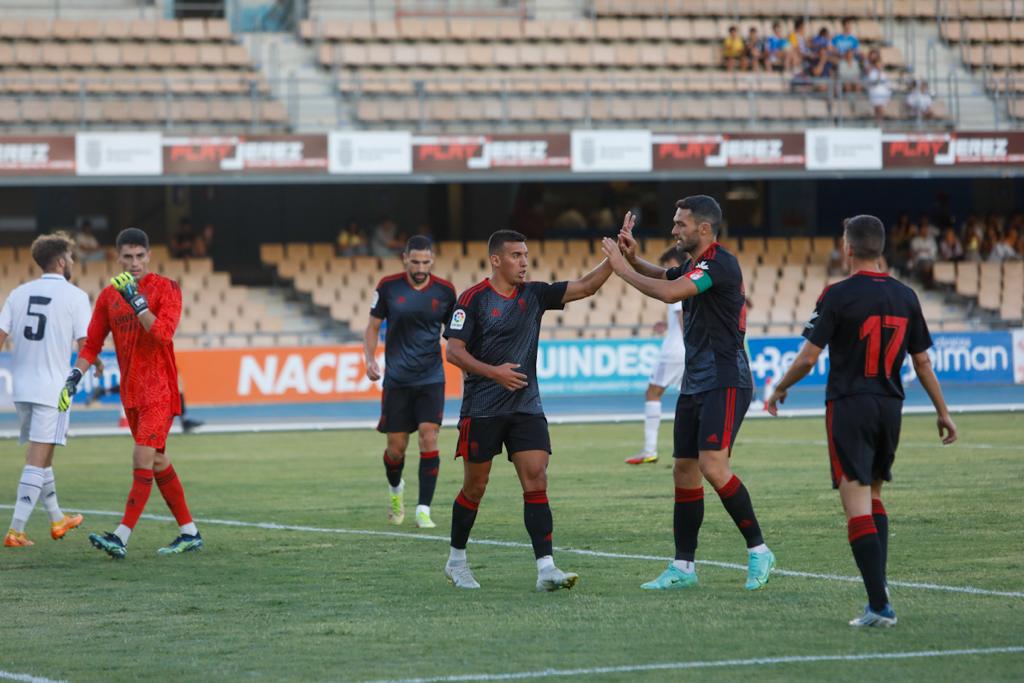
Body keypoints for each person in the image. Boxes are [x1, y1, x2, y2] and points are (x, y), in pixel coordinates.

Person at [766, 215, 957, 627]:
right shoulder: (906, 296)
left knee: (855, 506)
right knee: (873, 497)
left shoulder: (836, 295)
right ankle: (879, 588)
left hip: (849, 404)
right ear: (882, 248)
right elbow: (922, 361)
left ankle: (879, 606)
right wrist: (943, 412)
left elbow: (809, 357)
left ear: (848, 248)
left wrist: (781, 387)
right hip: (890, 406)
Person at [599, 196, 775, 592]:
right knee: (684, 470)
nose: (674, 229)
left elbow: (669, 294)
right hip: (696, 380)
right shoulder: (697, 264)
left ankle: (759, 549)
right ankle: (684, 567)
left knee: (713, 466)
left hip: (726, 379)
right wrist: (633, 258)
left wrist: (621, 268)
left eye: (681, 224)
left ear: (704, 229)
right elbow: (665, 277)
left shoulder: (719, 263)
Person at [441, 223, 617, 591]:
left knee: (536, 477)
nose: (524, 262)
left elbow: (585, 286)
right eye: (516, 256)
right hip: (482, 408)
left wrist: (617, 259)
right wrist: (494, 373)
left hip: (526, 405)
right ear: (496, 260)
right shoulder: (472, 300)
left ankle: (546, 569)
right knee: (475, 486)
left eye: (525, 255)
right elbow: (453, 350)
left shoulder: (535, 295)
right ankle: (456, 561)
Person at [62, 227, 202, 559]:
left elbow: (163, 335)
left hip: (159, 389)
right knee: (156, 461)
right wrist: (75, 375)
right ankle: (190, 533)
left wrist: (139, 304)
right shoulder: (109, 296)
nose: (135, 262)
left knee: (141, 457)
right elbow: (92, 343)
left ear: (149, 256)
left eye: (140, 256)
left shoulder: (167, 288)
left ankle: (121, 537)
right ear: (118, 257)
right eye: (128, 256)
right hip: (131, 393)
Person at [1, 232, 93, 547]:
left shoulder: (18, 293)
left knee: (44, 454)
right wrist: (83, 370)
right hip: (53, 389)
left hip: (22, 388)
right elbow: (87, 345)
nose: (72, 262)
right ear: (60, 261)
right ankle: (16, 531)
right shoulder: (76, 296)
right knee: (37, 460)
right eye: (70, 256)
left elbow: (1, 336)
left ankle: (57, 519)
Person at [364, 235, 457, 529]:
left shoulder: (445, 291)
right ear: (405, 258)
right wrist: (369, 359)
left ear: (433, 260)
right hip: (398, 380)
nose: (420, 267)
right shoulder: (388, 287)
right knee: (396, 449)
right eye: (415, 261)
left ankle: (423, 510)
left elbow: (455, 332)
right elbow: (372, 326)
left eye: (426, 262)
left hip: (431, 377)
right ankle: (395, 492)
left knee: (429, 438)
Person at [626, 246, 686, 465]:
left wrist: (683, 338)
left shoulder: (679, 283)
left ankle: (650, 450)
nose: (667, 269)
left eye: (669, 264)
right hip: (685, 350)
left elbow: (682, 317)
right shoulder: (688, 281)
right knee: (690, 398)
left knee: (652, 393)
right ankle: (696, 447)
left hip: (674, 351)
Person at [865, 49, 891, 125]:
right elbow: (872, 79)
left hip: (882, 89)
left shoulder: (880, 69)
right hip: (874, 89)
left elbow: (884, 79)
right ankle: (878, 123)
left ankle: (879, 123)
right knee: (877, 108)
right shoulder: (869, 67)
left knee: (880, 108)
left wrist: (879, 70)